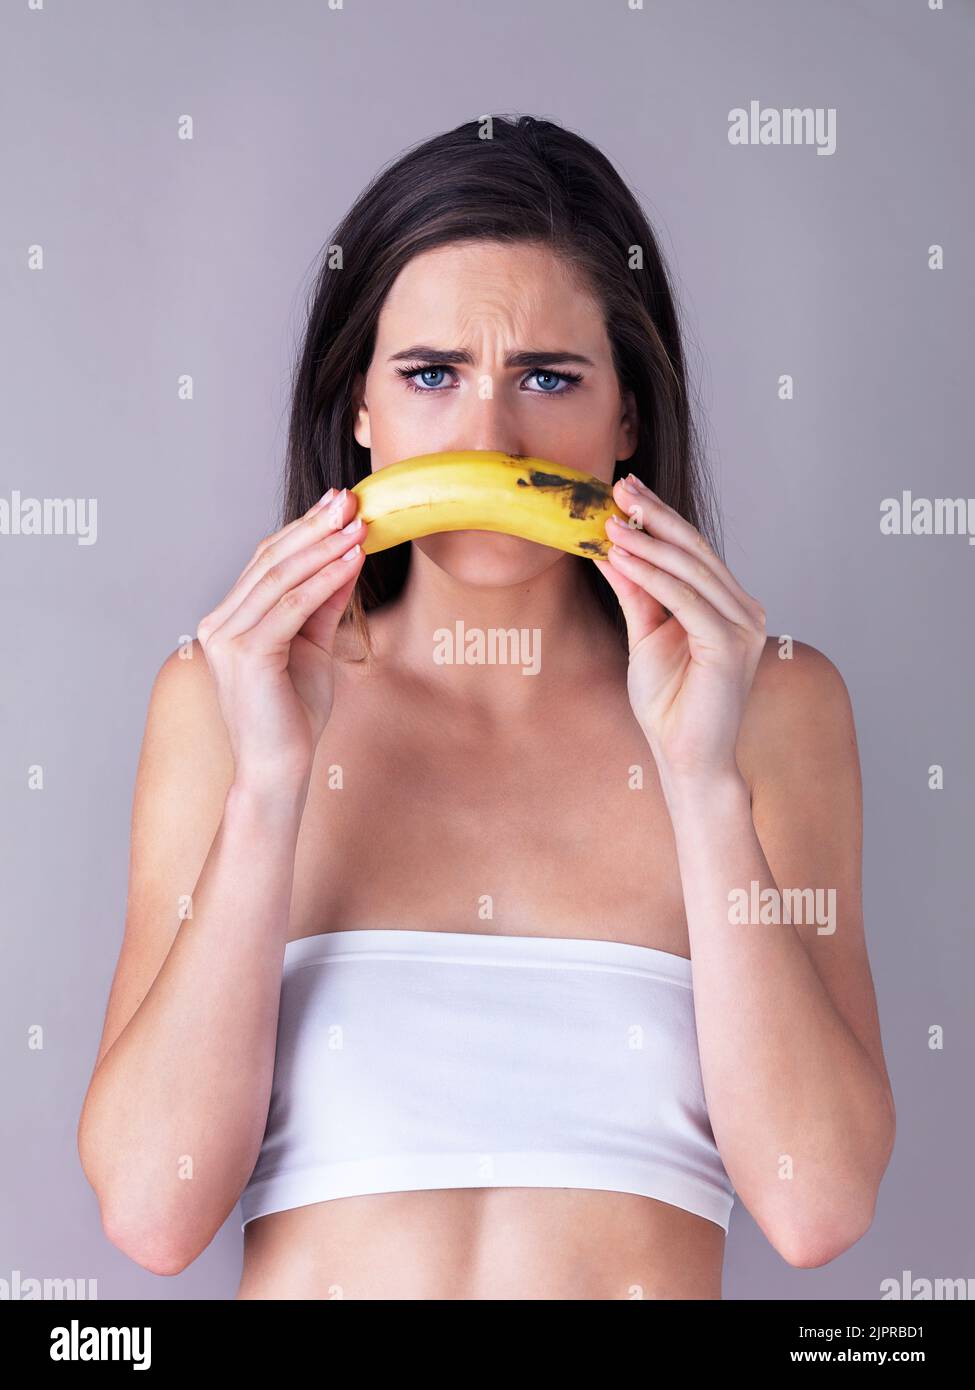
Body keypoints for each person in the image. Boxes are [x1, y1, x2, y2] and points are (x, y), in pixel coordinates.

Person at [77, 115, 896, 1300]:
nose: (489, 438)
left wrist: (701, 778)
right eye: (430, 375)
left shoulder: (775, 703)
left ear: (625, 420)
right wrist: (268, 786)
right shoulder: (218, 701)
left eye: (549, 378)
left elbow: (817, 1203)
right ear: (359, 412)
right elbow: (153, 1213)